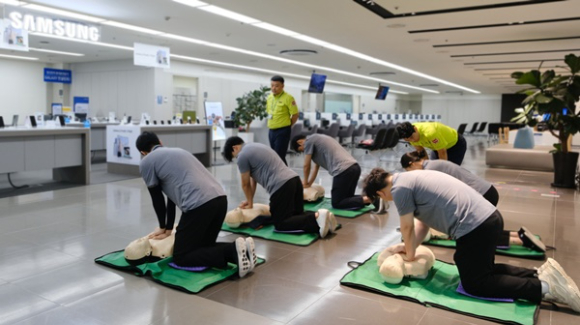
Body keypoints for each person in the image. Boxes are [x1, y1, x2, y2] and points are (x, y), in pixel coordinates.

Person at [363, 168, 580, 311]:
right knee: (481, 268)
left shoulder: (399, 189)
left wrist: (409, 254)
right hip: (488, 219)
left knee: (476, 283)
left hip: (476, 226)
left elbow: (407, 226)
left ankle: (545, 287)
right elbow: (421, 225)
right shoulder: (409, 177)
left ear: (381, 193)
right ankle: (538, 273)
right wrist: (410, 249)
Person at [136, 131, 256, 278]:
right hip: (220, 200)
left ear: (143, 152)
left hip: (199, 206)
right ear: (160, 142)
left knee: (181, 256)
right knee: (203, 247)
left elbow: (158, 199)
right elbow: (171, 198)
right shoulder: (178, 151)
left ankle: (231, 250)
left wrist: (162, 228)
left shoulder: (147, 162)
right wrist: (168, 229)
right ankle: (241, 251)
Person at [400, 151, 545, 251]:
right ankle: (518, 234)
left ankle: (520, 241)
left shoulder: (430, 170)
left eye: (409, 171)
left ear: (412, 164)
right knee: (482, 229)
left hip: (481, 195)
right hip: (487, 191)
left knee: (476, 234)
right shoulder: (434, 163)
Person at [223, 136, 337, 238]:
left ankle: (316, 217)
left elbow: (245, 184)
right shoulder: (255, 146)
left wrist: (249, 202)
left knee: (281, 224)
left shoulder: (242, 155)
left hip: (282, 186)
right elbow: (254, 181)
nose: (236, 159)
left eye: (233, 156)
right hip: (295, 181)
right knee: (296, 215)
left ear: (235, 148)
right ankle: (324, 218)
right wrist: (250, 202)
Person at [291, 133, 386, 213]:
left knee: (337, 203)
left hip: (343, 171)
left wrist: (305, 182)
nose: (304, 152)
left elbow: (306, 166)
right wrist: (308, 184)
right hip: (354, 167)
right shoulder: (318, 140)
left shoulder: (308, 141)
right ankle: (374, 197)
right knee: (347, 198)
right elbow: (316, 168)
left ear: (300, 142)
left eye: (301, 150)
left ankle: (372, 199)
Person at [396, 121, 467, 165]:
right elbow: (421, 152)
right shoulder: (410, 136)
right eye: (408, 140)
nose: (412, 140)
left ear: (415, 129)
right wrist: (426, 168)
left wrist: (442, 171)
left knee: (450, 172)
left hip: (456, 145)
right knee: (432, 168)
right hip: (438, 147)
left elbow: (442, 153)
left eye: (412, 137)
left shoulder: (430, 133)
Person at [267, 75, 299, 165]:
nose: (274, 88)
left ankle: (286, 177)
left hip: (282, 130)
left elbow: (295, 115)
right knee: (274, 155)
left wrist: (287, 126)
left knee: (279, 156)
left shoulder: (288, 98)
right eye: (272, 85)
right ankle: (280, 176)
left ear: (282, 86)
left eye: (276, 86)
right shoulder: (269, 97)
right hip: (271, 130)